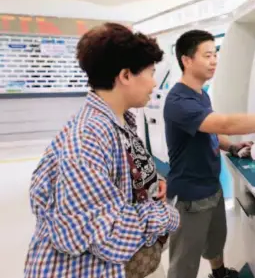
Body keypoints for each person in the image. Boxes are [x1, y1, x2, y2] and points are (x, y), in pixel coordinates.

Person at [24, 23, 180, 278]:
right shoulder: (88, 138)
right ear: (126, 76)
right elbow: (108, 235)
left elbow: (117, 175)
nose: (154, 83)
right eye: (151, 72)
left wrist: (151, 181)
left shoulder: (120, 121)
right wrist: (166, 215)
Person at [164, 30, 255, 278]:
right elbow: (225, 124)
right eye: (207, 55)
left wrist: (231, 147)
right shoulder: (179, 101)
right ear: (186, 60)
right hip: (190, 195)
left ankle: (219, 274)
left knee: (215, 240)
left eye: (215, 54)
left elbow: (210, 131)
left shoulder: (201, 94)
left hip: (211, 186)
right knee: (184, 262)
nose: (214, 61)